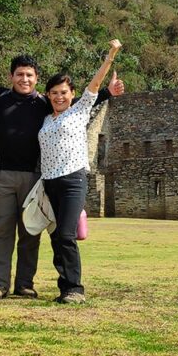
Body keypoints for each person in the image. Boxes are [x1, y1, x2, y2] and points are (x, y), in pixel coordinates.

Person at [0, 45, 124, 300]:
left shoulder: (45, 104)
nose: (24, 79)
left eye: (29, 75)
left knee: (30, 232)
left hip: (34, 177)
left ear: (36, 79)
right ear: (11, 77)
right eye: (20, 75)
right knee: (0, 232)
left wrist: (107, 93)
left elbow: (73, 104)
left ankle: (25, 283)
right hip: (2, 176)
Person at [39, 39, 122, 304]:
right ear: (48, 95)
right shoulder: (45, 118)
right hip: (49, 182)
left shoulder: (79, 111)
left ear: (72, 94)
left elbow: (96, 85)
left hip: (73, 179)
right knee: (55, 236)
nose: (59, 96)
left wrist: (110, 56)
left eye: (64, 92)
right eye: (54, 92)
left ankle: (75, 288)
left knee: (66, 234)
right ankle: (64, 287)